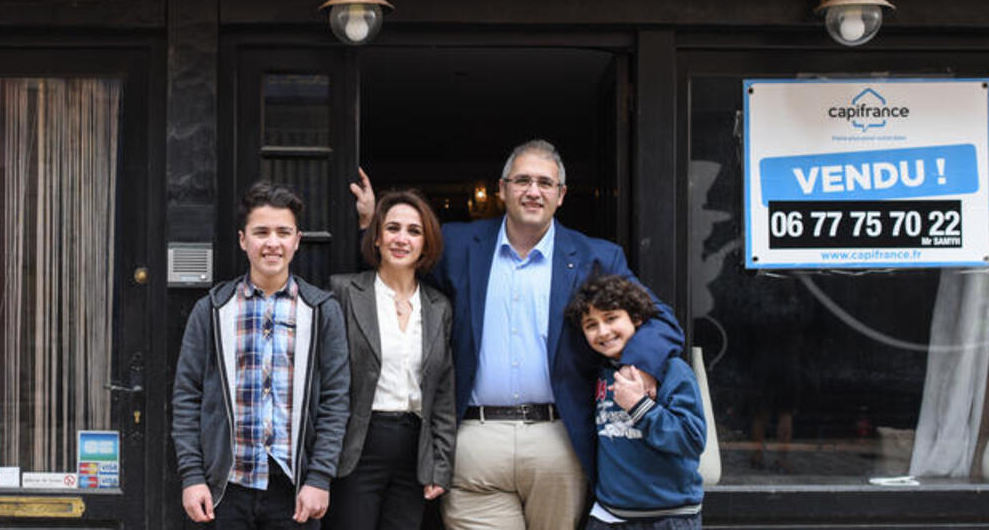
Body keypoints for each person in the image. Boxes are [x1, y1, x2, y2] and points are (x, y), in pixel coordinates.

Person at [352, 140, 683, 530]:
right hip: (474, 438)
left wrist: (640, 367)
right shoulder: (458, 245)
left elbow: (660, 319)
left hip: (558, 440)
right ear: (502, 189)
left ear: (560, 196)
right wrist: (374, 221)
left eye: (545, 183)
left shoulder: (596, 257)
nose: (532, 191)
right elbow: (398, 264)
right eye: (522, 180)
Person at [173, 180, 353, 530]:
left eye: (283, 232)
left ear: (297, 240)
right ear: (243, 240)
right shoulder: (212, 310)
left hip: (293, 487)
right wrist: (192, 476)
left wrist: (319, 478)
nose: (273, 243)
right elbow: (186, 397)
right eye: (261, 232)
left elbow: (335, 400)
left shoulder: (320, 311)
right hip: (226, 488)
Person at [325, 189, 458, 530]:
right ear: (377, 238)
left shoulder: (438, 307)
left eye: (414, 231)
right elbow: (323, 379)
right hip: (357, 446)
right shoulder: (343, 293)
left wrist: (439, 466)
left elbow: (442, 393)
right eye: (393, 228)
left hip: (414, 452)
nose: (402, 238)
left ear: (426, 245)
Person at [567, 273, 705, 529]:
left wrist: (640, 407)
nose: (603, 331)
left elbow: (692, 439)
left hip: (668, 516)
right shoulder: (600, 372)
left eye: (611, 319)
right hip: (609, 515)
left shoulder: (672, 370)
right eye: (591, 325)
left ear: (637, 319)